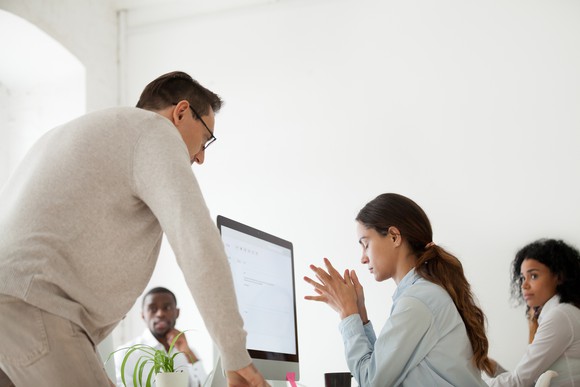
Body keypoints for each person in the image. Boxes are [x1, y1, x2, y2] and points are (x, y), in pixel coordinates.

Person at [0, 71, 268, 387]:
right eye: (206, 137)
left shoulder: (77, 132)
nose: (201, 156)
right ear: (181, 112)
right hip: (37, 309)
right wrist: (236, 357)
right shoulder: (154, 132)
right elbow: (197, 242)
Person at [304, 193, 492, 386]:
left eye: (366, 244)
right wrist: (360, 316)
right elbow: (384, 370)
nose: (363, 258)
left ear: (394, 237)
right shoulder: (422, 294)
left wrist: (348, 314)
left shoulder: (418, 301)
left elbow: (371, 381)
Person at [486, 239, 580, 386]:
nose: (524, 285)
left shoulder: (560, 316)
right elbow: (529, 381)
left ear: (559, 276)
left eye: (534, 276)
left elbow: (520, 381)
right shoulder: (563, 312)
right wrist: (489, 366)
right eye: (523, 277)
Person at [115, 287, 207, 387]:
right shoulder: (126, 353)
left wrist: (188, 353)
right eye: (152, 309)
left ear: (177, 313)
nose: (160, 314)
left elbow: (206, 384)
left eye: (167, 308)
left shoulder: (187, 352)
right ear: (143, 315)